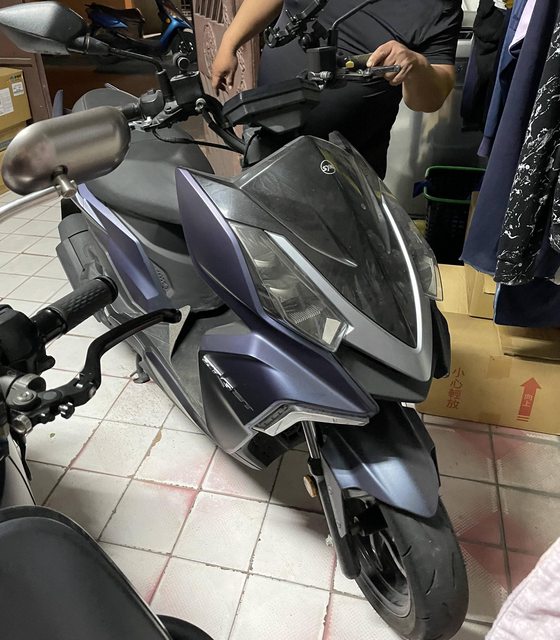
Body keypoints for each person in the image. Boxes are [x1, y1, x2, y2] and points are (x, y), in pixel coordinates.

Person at [212, 0, 462, 178]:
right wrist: (229, 43)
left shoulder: (439, 6)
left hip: (347, 166)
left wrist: (417, 66)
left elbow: (431, 99)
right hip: (267, 134)